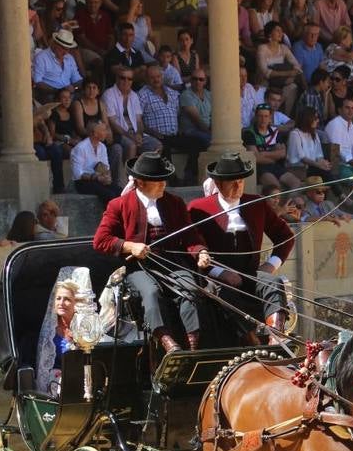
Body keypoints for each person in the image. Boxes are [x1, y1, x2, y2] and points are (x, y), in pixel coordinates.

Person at [93, 150, 200, 353]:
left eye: (164, 180)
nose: (163, 185)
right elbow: (101, 240)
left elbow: (191, 237)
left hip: (173, 264)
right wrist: (129, 246)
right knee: (150, 293)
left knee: (190, 289)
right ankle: (167, 342)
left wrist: (200, 252)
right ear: (141, 183)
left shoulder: (174, 203)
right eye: (158, 181)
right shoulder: (119, 205)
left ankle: (193, 344)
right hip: (138, 267)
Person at [185, 152, 296, 344]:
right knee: (221, 293)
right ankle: (252, 338)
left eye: (241, 181)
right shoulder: (198, 208)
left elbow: (285, 236)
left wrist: (271, 265)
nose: (238, 186)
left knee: (273, 282)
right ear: (218, 184)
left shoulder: (256, 204)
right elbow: (191, 243)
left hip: (250, 272)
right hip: (214, 276)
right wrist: (220, 272)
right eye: (232, 182)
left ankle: (276, 337)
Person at [72, 121, 118, 205]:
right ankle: (109, 217)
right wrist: (96, 177)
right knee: (109, 195)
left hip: (99, 179)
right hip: (83, 182)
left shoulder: (102, 147)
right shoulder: (80, 148)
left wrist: (107, 177)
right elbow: (77, 174)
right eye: (103, 130)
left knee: (120, 192)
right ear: (94, 133)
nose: (106, 133)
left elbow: (106, 167)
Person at [33, 29, 84, 102]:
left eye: (68, 49)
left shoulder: (69, 58)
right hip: (51, 94)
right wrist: (58, 91)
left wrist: (74, 87)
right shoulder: (42, 57)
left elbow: (77, 79)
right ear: (55, 44)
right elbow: (37, 82)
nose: (65, 52)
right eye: (63, 48)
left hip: (69, 94)